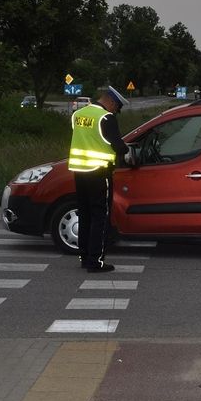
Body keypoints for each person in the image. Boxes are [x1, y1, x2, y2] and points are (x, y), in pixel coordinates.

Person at [68, 86, 132, 272]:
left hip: (79, 172)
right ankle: (96, 261)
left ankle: (85, 257)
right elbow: (119, 147)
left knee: (85, 215)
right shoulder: (106, 118)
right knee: (100, 218)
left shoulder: (78, 115)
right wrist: (127, 150)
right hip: (99, 173)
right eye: (117, 108)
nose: (116, 112)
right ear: (111, 102)